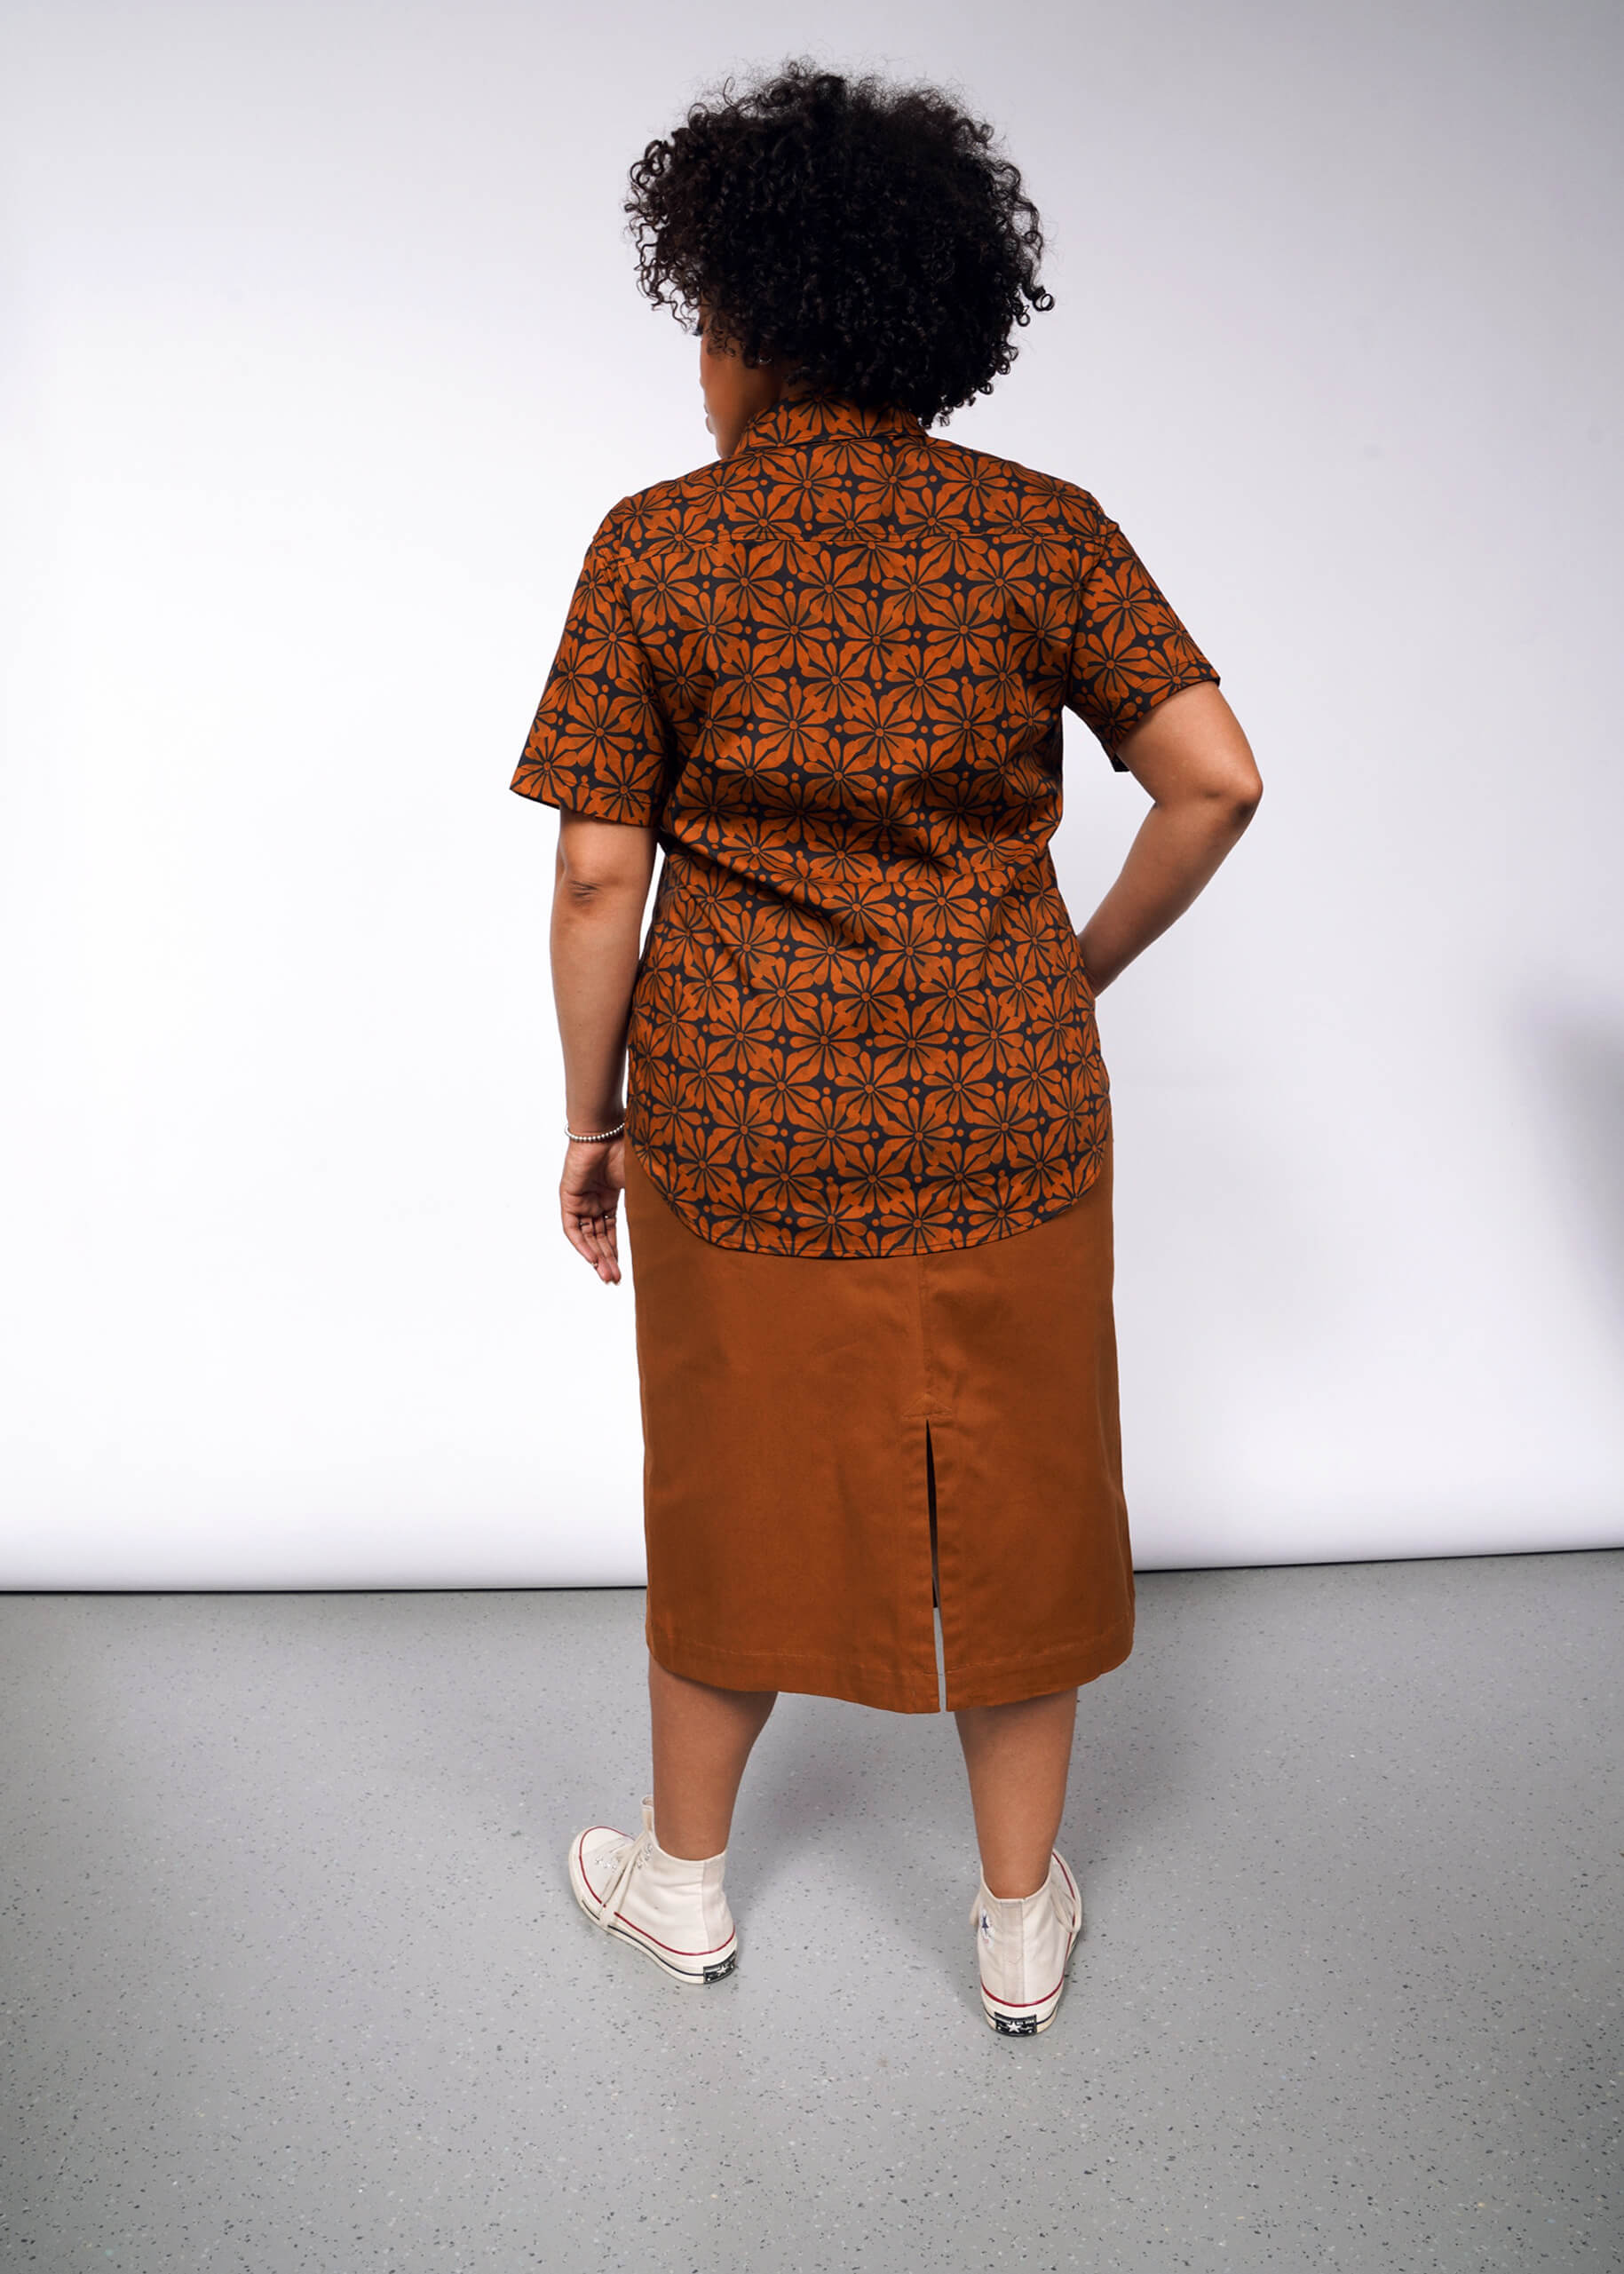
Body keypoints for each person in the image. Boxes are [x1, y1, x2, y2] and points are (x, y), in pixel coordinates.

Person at [511, 59, 1262, 2033]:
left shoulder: (656, 547)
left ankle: (684, 1888)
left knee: (728, 1482)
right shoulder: (1044, 531)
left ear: (748, 321)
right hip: (1009, 1097)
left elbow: (602, 885)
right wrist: (1072, 963)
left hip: (738, 1111)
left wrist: (588, 1118)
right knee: (1018, 1485)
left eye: (703, 320)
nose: (697, 360)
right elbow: (1216, 779)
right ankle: (1019, 1919)